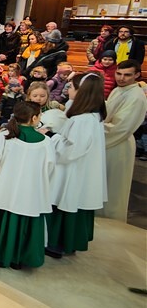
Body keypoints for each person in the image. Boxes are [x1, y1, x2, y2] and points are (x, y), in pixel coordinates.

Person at [0, 101, 54, 269]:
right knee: (25, 222)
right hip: (31, 194)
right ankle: (19, 259)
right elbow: (49, 169)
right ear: (34, 118)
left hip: (4, 191)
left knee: (2, 219)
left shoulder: (3, 137)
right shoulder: (46, 142)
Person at [45, 73, 107, 257]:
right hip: (81, 169)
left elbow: (71, 150)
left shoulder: (82, 120)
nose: (67, 90)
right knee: (73, 202)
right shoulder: (93, 116)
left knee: (66, 202)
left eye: (71, 87)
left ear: (82, 92)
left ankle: (56, 243)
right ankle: (68, 242)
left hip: (72, 171)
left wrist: (52, 137)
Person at [101, 60, 147, 222]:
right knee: (104, 183)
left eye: (127, 75)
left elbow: (121, 127)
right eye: (119, 73)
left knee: (114, 187)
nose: (121, 78)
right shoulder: (118, 89)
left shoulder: (136, 96)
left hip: (118, 143)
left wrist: (94, 129)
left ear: (137, 75)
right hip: (110, 141)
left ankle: (111, 222)